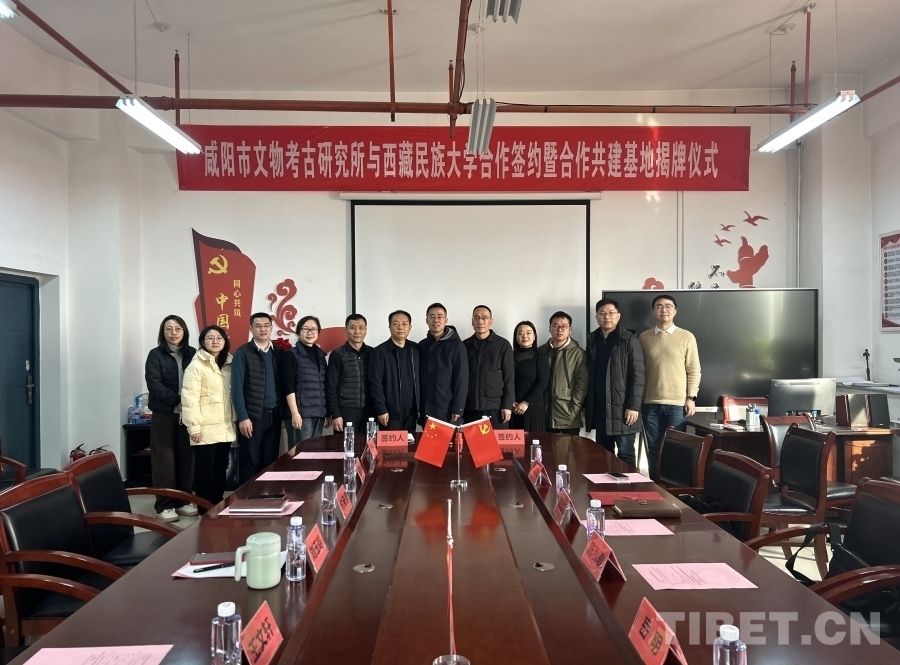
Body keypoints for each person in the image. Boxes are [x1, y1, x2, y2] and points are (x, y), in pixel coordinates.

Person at [639, 294, 701, 481]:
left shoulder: (686, 337)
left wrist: (691, 397)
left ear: (675, 311)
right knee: (653, 447)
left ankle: (674, 487)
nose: (663, 310)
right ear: (653, 311)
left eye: (668, 306)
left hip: (677, 404)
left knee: (675, 448)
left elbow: (694, 370)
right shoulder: (644, 337)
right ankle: (656, 484)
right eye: (659, 306)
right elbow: (638, 370)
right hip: (650, 403)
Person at [144, 315, 197, 522]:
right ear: (163, 332)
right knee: (164, 460)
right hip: (165, 414)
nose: (173, 333)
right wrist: (177, 401)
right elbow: (154, 384)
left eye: (178, 328)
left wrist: (189, 403)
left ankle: (183, 500)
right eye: (169, 329)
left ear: (184, 331)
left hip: (188, 415)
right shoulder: (155, 355)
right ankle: (165, 505)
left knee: (187, 458)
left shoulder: (193, 353)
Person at [584, 298, 645, 468]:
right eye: (602, 313)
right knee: (603, 454)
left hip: (623, 409)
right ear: (597, 317)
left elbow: (638, 376)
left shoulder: (629, 340)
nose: (607, 317)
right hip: (601, 408)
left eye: (611, 313)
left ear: (619, 316)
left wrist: (634, 406)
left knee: (626, 454)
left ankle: (629, 485)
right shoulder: (593, 340)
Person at [181, 325, 235, 505]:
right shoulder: (196, 366)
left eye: (219, 338)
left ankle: (217, 504)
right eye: (210, 338)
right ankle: (204, 508)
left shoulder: (229, 364)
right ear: (202, 342)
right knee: (205, 472)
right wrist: (194, 427)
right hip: (204, 429)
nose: (215, 341)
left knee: (220, 469)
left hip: (224, 427)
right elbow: (189, 398)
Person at [231, 312, 286, 484]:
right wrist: (243, 417)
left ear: (271, 327)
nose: (263, 329)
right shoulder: (243, 353)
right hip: (253, 416)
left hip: (274, 414)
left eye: (266, 325)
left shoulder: (278, 352)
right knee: (250, 460)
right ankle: (246, 498)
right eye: (258, 326)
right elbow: (236, 388)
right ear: (251, 328)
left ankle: (266, 496)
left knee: (270, 460)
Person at [325, 314, 373, 446]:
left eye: (361, 328)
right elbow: (330, 387)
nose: (357, 331)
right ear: (346, 331)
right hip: (345, 410)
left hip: (368, 410)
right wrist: (335, 414)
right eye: (353, 328)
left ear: (366, 330)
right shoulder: (337, 354)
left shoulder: (373, 353)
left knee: (366, 448)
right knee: (345, 448)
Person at [463, 305, 514, 428]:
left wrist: (507, 405)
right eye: (477, 318)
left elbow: (509, 378)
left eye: (484, 318)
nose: (480, 321)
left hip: (496, 409)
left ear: (491, 321)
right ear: (472, 322)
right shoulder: (465, 345)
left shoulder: (503, 345)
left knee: (496, 441)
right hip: (470, 408)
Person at [538, 311, 588, 435]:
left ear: (570, 329)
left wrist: (574, 410)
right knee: (545, 447)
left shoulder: (579, 354)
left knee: (569, 448)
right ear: (549, 328)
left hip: (568, 415)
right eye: (555, 326)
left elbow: (582, 384)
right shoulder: (541, 351)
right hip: (543, 414)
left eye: (564, 326)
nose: (559, 329)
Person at [369, 310, 419, 431]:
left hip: (412, 412)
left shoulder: (416, 349)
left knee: (410, 442)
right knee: (391, 443)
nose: (400, 327)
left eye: (404, 324)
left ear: (410, 327)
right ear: (389, 327)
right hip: (390, 413)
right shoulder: (379, 352)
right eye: (396, 324)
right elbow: (375, 383)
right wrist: (381, 409)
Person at [418, 303, 467, 424]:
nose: (436, 320)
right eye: (432, 316)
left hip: (447, 408)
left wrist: (458, 408)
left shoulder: (457, 345)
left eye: (440, 316)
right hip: (426, 406)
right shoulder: (422, 345)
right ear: (426, 320)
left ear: (446, 320)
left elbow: (462, 379)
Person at [286, 315, 329, 443]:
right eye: (305, 329)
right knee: (300, 452)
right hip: (302, 414)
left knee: (314, 452)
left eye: (313, 329)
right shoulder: (292, 355)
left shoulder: (321, 356)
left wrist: (327, 412)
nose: (310, 332)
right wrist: (294, 413)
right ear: (298, 332)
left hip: (319, 413)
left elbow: (324, 385)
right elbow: (288, 386)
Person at [511, 321, 550, 432]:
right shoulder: (509, 357)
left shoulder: (540, 357)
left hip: (533, 407)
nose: (525, 336)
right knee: (514, 441)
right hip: (512, 408)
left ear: (534, 337)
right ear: (516, 337)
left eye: (528, 333)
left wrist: (526, 402)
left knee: (534, 441)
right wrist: (509, 402)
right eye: (520, 333)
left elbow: (542, 383)